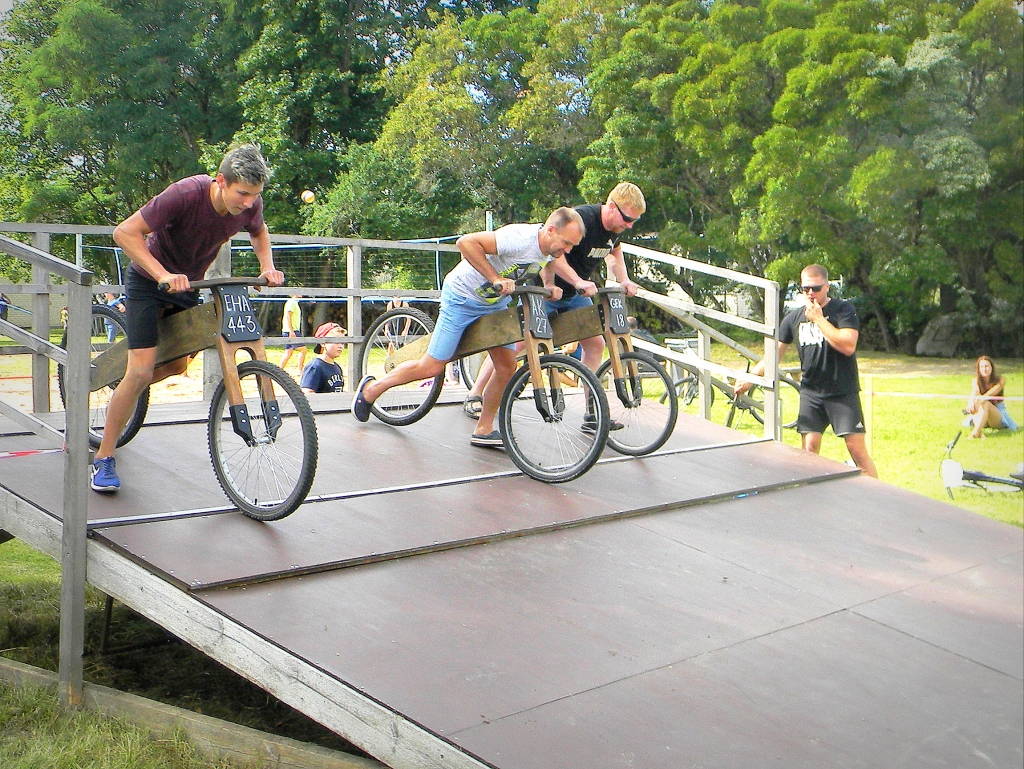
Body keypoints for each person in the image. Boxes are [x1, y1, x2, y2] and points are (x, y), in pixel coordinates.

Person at [90, 144, 285, 493]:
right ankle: (104, 458)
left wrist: (267, 267)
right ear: (221, 181)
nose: (248, 203)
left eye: (254, 195)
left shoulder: (250, 205)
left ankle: (125, 390)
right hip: (149, 282)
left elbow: (259, 231)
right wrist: (162, 273)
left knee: (177, 366)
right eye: (242, 194)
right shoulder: (185, 194)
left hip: (188, 285)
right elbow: (124, 232)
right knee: (140, 371)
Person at [351, 207, 584, 447]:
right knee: (431, 367)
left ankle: (484, 428)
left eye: (572, 246)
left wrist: (549, 284)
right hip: (461, 298)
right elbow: (465, 243)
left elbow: (548, 260)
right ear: (551, 230)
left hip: (493, 304)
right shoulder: (518, 238)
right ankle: (371, 390)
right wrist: (495, 278)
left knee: (506, 367)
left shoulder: (550, 248)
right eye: (566, 243)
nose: (567, 250)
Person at [462, 183, 645, 429]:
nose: (630, 225)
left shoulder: (615, 229)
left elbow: (615, 254)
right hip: (545, 291)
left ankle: (592, 412)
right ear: (612, 207)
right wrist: (577, 280)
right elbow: (553, 255)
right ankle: (476, 393)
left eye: (634, 221)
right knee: (515, 343)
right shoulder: (581, 219)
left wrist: (624, 279)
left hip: (575, 294)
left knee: (595, 343)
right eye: (627, 219)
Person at [735, 264, 878, 478]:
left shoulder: (843, 310)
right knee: (809, 450)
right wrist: (750, 379)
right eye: (805, 289)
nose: (811, 293)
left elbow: (848, 346)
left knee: (856, 450)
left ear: (827, 287)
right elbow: (774, 354)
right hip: (811, 392)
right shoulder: (793, 318)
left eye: (816, 288)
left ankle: (877, 492)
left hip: (842, 391)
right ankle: (809, 493)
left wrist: (819, 319)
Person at [964, 355, 1017, 437]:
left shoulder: (1000, 380)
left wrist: (978, 403)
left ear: (992, 367)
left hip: (996, 414)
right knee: (981, 405)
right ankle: (979, 432)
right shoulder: (975, 380)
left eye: (987, 366)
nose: (984, 369)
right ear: (978, 369)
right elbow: (975, 391)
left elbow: (989, 394)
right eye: (982, 367)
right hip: (981, 412)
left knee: (986, 403)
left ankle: (975, 433)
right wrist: (970, 403)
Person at [300, 322, 346, 394]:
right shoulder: (315, 367)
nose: (340, 346)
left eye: (342, 342)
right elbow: (307, 392)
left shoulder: (337, 367)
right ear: (322, 343)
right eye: (336, 342)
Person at [279, 294, 306, 373]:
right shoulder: (292, 302)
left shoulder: (294, 302)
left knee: (288, 352)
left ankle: (279, 370)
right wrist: (291, 330)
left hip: (289, 330)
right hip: (292, 330)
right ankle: (300, 370)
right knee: (303, 350)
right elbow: (288, 316)